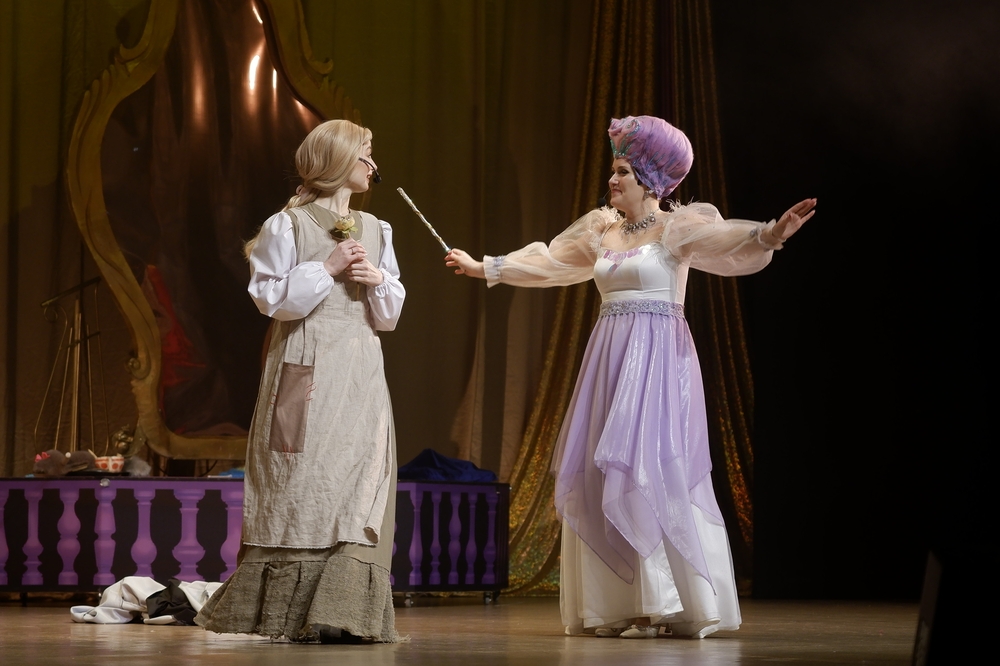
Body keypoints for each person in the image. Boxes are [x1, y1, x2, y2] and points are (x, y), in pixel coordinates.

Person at [445, 115, 815, 639]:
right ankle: (619, 604)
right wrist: (486, 266)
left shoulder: (677, 227)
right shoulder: (602, 230)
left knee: (653, 465)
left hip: (659, 360)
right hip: (610, 359)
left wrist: (769, 233)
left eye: (622, 171)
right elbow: (551, 262)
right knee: (607, 468)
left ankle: (670, 601)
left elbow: (725, 239)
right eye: (614, 170)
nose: (612, 179)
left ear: (650, 179)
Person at [195, 119, 405, 643]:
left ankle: (346, 613)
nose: (373, 165)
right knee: (299, 480)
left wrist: (377, 281)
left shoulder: (378, 229)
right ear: (339, 159)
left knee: (359, 483)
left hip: (359, 373)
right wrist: (327, 268)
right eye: (366, 153)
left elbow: (388, 318)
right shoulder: (287, 225)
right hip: (305, 366)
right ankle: (286, 613)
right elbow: (270, 299)